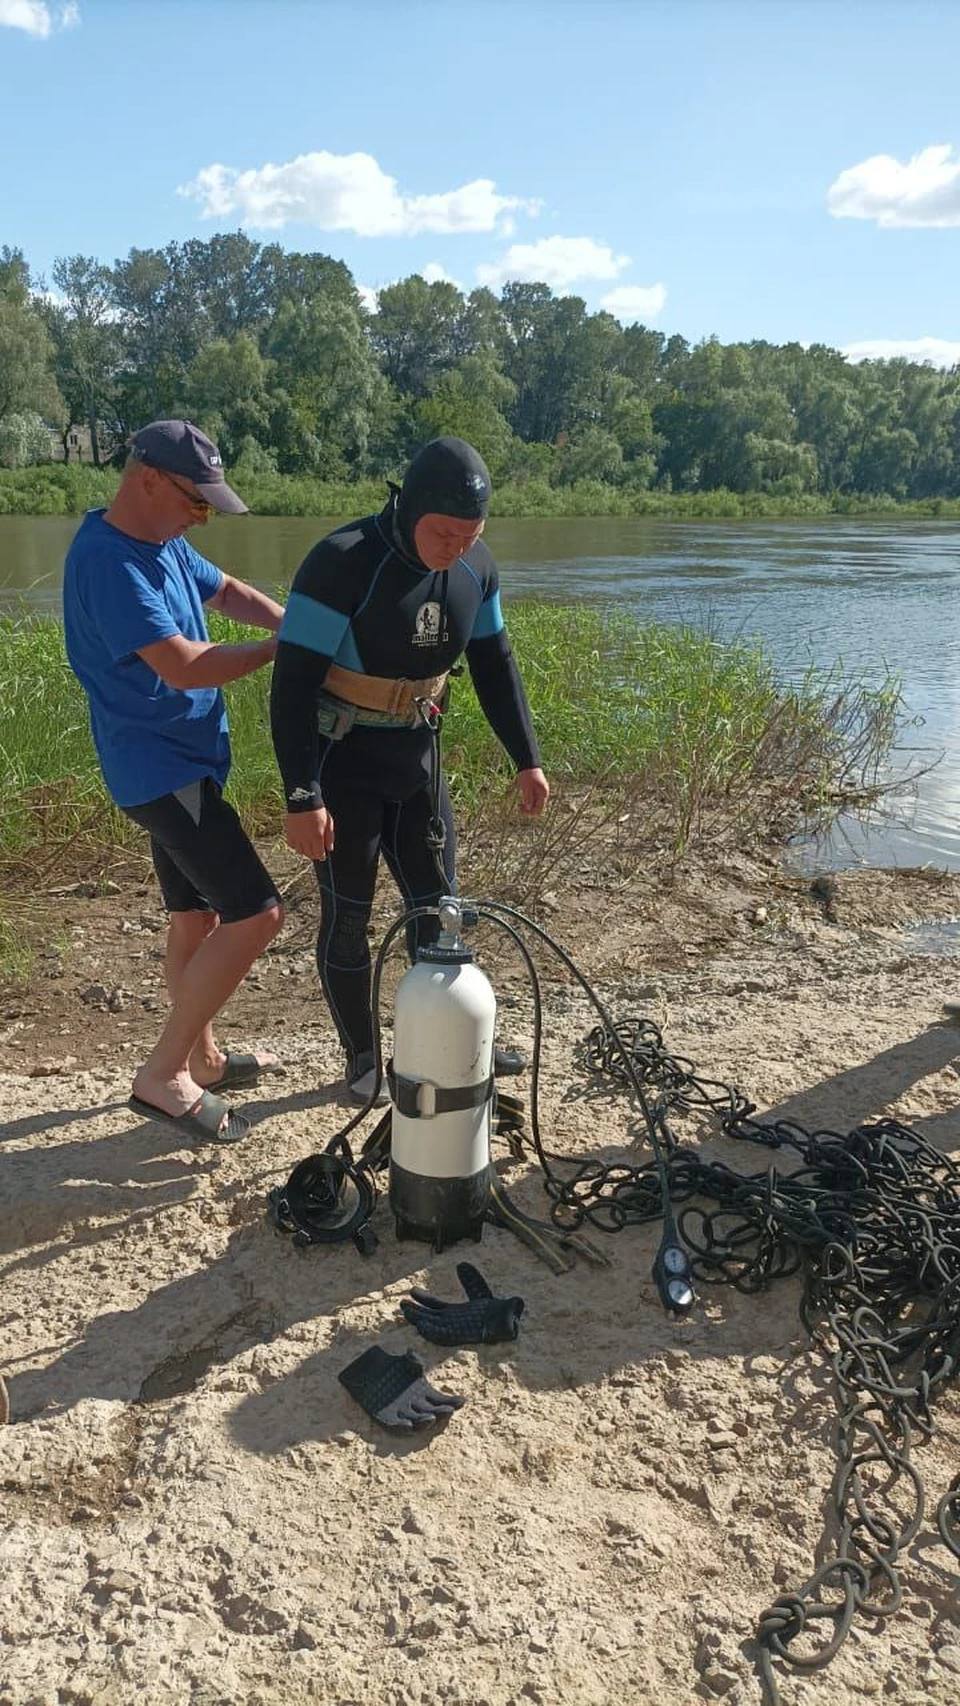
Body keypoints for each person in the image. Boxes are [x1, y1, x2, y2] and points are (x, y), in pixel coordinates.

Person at [270, 435, 549, 1102]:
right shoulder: (341, 562)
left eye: (470, 532)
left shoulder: (477, 568)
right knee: (348, 918)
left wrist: (527, 759)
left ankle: (441, 1043)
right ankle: (362, 1055)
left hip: (418, 759)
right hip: (344, 766)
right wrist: (302, 795)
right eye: (444, 531)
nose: (456, 545)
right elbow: (292, 684)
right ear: (409, 507)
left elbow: (494, 663)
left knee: (442, 910)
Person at [63, 419, 286, 1144]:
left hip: (184, 763)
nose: (204, 516)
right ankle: (164, 1073)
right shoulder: (109, 560)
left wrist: (291, 623)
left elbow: (227, 592)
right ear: (147, 478)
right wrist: (278, 651)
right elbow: (185, 664)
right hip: (161, 771)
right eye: (198, 501)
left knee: (196, 920)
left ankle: (203, 1056)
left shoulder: (163, 542)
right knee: (256, 914)